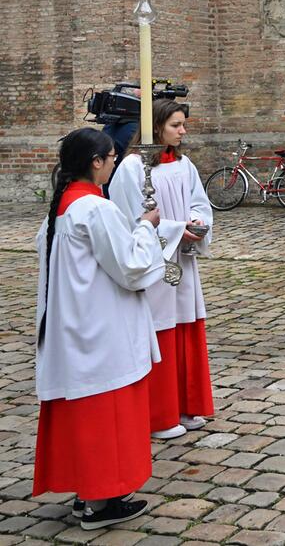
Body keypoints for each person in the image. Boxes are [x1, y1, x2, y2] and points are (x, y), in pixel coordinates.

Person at [34, 128, 164, 530]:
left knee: (86, 417)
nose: (113, 164)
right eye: (110, 158)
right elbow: (130, 266)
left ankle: (88, 493)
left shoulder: (61, 209)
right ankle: (99, 503)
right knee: (106, 418)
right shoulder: (94, 208)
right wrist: (146, 227)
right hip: (101, 330)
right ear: (95, 162)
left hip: (74, 327)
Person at [108, 100, 215, 440]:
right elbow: (130, 218)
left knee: (185, 325)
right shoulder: (132, 168)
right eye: (175, 125)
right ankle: (159, 414)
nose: (183, 131)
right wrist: (173, 229)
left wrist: (196, 222)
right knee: (161, 330)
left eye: (183, 124)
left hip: (183, 258)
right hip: (154, 263)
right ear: (156, 127)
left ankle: (185, 405)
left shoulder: (184, 164)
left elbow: (199, 202)